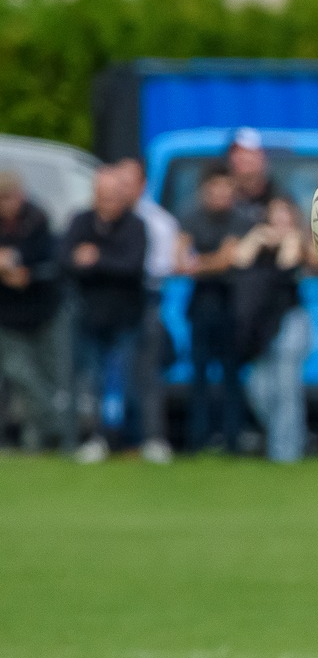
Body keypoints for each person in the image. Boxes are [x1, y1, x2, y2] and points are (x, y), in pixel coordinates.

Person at [62, 165, 150, 463]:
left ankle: (128, 440)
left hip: (125, 318)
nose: (108, 202)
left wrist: (96, 258)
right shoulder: (81, 221)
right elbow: (64, 259)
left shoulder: (135, 225)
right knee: (92, 383)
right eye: (103, 195)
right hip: (89, 318)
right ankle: (94, 438)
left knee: (125, 382)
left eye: (113, 196)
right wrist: (93, 262)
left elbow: (131, 266)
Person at [178, 165, 255, 453]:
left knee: (231, 376)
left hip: (231, 306)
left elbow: (228, 259)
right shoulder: (191, 217)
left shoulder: (240, 220)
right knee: (198, 375)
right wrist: (210, 262)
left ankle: (232, 440)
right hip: (200, 306)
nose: (221, 195)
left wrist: (200, 263)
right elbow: (180, 260)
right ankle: (197, 439)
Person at [234, 194, 311, 463]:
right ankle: (285, 438)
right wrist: (257, 238)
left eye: (285, 213)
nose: (280, 219)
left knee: (287, 390)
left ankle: (286, 453)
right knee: (258, 388)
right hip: (260, 323)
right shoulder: (258, 239)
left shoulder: (297, 240)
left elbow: (286, 266)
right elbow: (239, 261)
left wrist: (287, 239)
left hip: (290, 320)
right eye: (275, 212)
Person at [0, 170, 66, 449]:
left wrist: (18, 265)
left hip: (42, 311)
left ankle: (40, 435)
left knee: (50, 376)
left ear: (20, 196)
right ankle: (51, 427)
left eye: (9, 198)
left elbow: (48, 261)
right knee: (20, 374)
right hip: (8, 315)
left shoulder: (38, 219)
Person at [119, 158, 179, 465]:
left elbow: (159, 267)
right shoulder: (106, 217)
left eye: (128, 182)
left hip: (145, 301)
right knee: (118, 373)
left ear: (143, 185)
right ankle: (120, 439)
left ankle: (153, 438)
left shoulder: (158, 222)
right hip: (112, 302)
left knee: (147, 373)